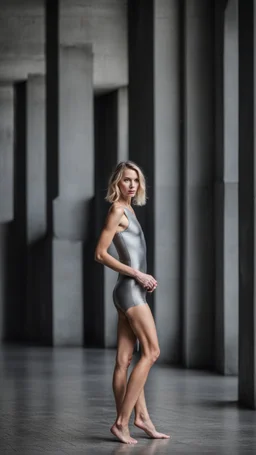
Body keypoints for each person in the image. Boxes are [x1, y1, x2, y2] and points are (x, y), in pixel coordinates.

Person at [94, 161, 170, 444]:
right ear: (117, 182)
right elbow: (100, 254)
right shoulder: (117, 210)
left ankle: (143, 419)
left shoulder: (130, 210)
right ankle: (122, 422)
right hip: (130, 291)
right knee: (152, 352)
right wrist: (138, 273)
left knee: (124, 360)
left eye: (135, 180)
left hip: (128, 291)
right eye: (127, 180)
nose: (132, 185)